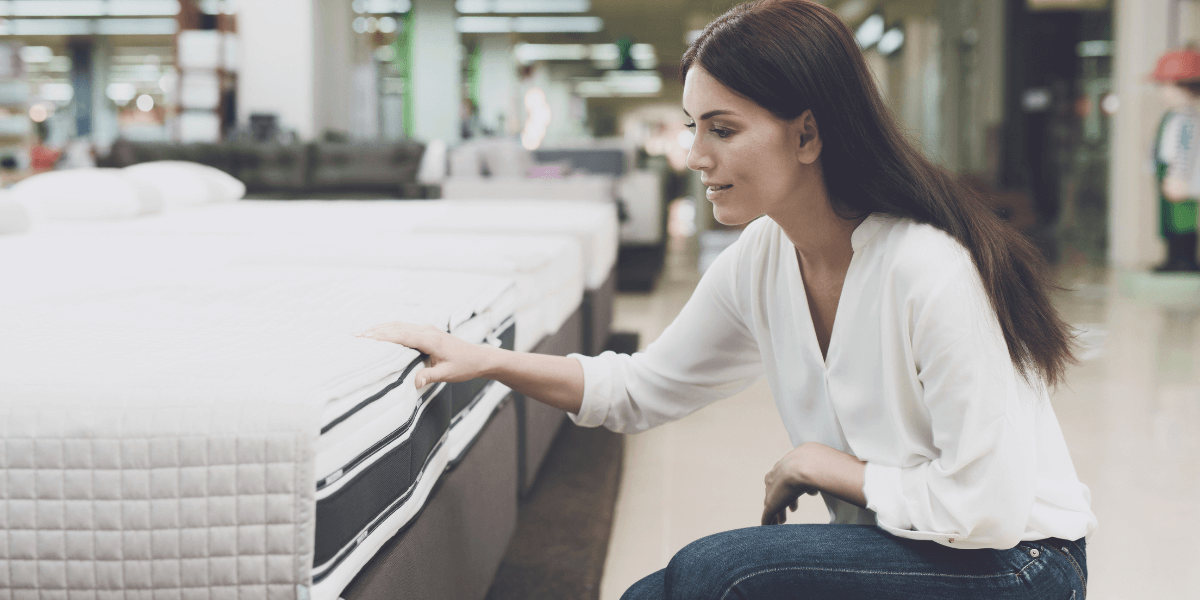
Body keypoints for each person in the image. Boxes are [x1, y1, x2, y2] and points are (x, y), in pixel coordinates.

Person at [358, 1, 1097, 597]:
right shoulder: (765, 258)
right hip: (907, 544)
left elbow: (988, 510)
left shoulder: (928, 269)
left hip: (1022, 566)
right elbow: (641, 388)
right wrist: (487, 359)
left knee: (717, 575)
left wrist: (823, 465)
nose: (696, 157)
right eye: (692, 129)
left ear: (807, 135)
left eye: (722, 129)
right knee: (656, 592)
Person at [1151, 46, 1200, 272]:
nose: (1161, 93)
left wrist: (1179, 176)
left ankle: (1184, 259)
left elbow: (1185, 151)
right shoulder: (1174, 117)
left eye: (1165, 86)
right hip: (1166, 172)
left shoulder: (1189, 120)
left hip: (1179, 176)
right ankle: (1173, 258)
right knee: (1169, 220)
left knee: (1183, 220)